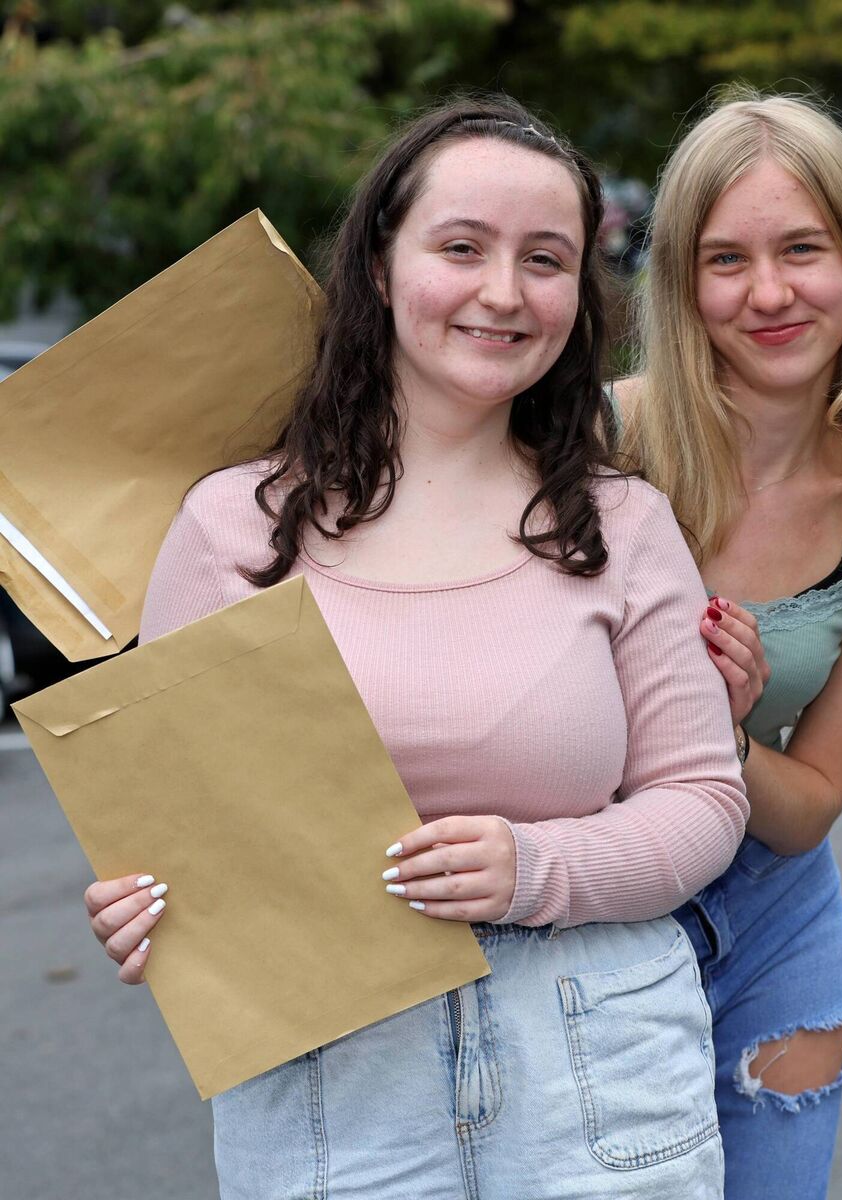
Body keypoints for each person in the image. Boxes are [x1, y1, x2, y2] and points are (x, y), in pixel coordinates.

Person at [82, 97, 749, 1199]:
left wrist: (536, 868)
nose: (503, 292)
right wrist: (145, 905)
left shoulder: (623, 523)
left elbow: (703, 801)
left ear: (580, 299)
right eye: (461, 247)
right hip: (327, 1081)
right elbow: (176, 825)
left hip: (594, 1067)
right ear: (380, 269)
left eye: (546, 260)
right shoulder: (230, 526)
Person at [617, 93, 842, 1200]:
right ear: (681, 283)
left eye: (803, 249)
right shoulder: (603, 442)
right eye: (727, 260)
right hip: (593, 913)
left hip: (774, 919)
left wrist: (717, 724)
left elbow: (810, 799)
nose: (768, 293)